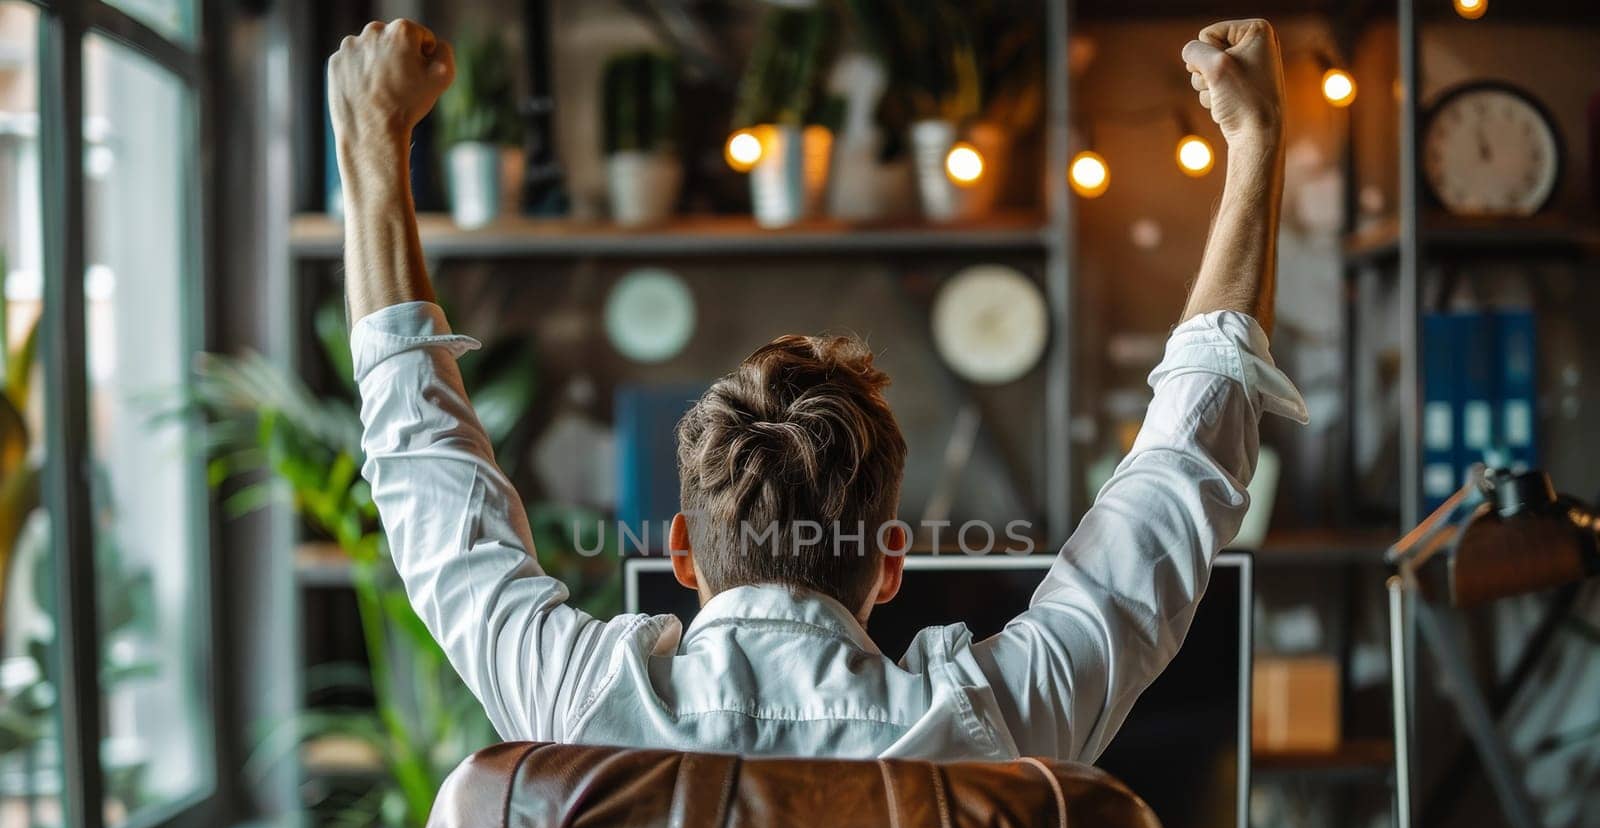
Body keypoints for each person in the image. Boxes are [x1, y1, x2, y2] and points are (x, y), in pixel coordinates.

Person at [327, 17, 1307, 764]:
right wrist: (1254, 135)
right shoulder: (984, 722)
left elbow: (428, 490)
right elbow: (1181, 474)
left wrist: (375, 143)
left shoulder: (581, 699)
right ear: (891, 560)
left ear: (681, 551)